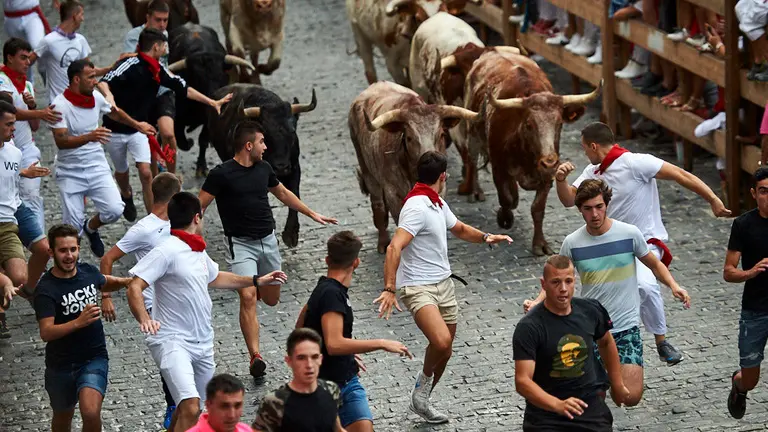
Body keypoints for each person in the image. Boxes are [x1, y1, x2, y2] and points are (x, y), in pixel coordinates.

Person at [555, 122, 728, 365]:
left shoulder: (636, 163)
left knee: (645, 285)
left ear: (594, 146)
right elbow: (567, 200)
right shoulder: (592, 172)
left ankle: (661, 341)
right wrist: (561, 180)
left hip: (645, 241)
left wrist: (712, 199)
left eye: (585, 149)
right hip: (611, 245)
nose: (585, 154)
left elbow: (681, 175)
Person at [125, 191, 287, 432]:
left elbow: (217, 277)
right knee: (190, 407)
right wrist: (145, 319)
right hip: (172, 340)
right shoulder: (166, 250)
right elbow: (134, 286)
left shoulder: (197, 250)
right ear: (198, 218)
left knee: (191, 411)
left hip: (202, 342)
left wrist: (257, 280)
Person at [373, 151, 512, 424]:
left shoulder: (436, 203)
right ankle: (421, 388)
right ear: (443, 176)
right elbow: (394, 246)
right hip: (418, 287)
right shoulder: (416, 207)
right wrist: (390, 288)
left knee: (445, 352)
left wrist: (486, 237)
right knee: (441, 341)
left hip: (444, 285)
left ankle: (421, 399)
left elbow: (458, 228)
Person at [530, 179, 690, 406]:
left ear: (607, 205)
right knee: (592, 399)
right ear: (580, 210)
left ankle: (607, 382)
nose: (594, 214)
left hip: (626, 329)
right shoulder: (572, 243)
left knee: (629, 397)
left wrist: (674, 286)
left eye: (599, 207)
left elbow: (654, 264)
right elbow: (557, 279)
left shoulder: (629, 234)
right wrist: (537, 301)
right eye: (588, 209)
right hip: (590, 331)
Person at [199, 120, 337, 380]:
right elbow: (199, 205)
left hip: (268, 242)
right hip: (240, 245)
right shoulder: (221, 174)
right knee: (248, 297)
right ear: (248, 145)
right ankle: (255, 357)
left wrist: (311, 213)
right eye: (262, 142)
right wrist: (192, 236)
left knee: (271, 299)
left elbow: (283, 193)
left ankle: (257, 285)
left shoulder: (264, 168)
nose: (266, 146)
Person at [98, 28, 231, 221]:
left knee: (145, 173)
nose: (167, 48)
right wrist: (109, 96)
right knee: (121, 170)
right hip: (116, 129)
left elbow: (184, 88)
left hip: (140, 130)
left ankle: (155, 219)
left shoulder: (158, 70)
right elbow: (103, 82)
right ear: (156, 47)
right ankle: (126, 193)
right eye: (164, 45)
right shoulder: (128, 64)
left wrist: (212, 102)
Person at [296, 230, 412, 432]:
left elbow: (302, 323)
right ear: (356, 263)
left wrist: (346, 351)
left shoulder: (324, 288)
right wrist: (382, 343)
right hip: (331, 386)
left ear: (327, 260)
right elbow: (334, 344)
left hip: (346, 378)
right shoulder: (332, 294)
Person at [49, 59, 155, 257]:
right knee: (72, 227)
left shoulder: (96, 98)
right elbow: (61, 141)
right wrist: (90, 136)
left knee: (115, 210)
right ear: (76, 79)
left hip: (96, 166)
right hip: (69, 172)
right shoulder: (59, 106)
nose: (95, 81)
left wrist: (138, 125)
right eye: (90, 77)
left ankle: (91, 227)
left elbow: (115, 113)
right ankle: (73, 270)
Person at [99, 172, 180, 429]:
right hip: (153, 305)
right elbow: (107, 259)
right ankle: (173, 404)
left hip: (180, 299)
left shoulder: (181, 222)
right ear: (174, 197)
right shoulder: (143, 229)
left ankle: (185, 403)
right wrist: (106, 296)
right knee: (169, 356)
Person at [33, 224, 132, 432]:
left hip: (93, 358)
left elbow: (104, 282)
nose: (69, 256)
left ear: (79, 249)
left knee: (90, 411)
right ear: (51, 252)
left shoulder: (88, 271)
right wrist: (79, 322)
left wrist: (126, 282)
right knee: (62, 417)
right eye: (62, 250)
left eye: (73, 249)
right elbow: (46, 332)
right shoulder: (46, 289)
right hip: (60, 366)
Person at [513, 255, 629, 431]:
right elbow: (522, 381)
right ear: (544, 285)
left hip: (590, 408)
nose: (563, 289)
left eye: (568, 281)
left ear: (575, 281)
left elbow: (605, 343)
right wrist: (557, 405)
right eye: (555, 282)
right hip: (546, 416)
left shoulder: (591, 310)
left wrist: (617, 383)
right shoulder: (529, 327)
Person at [0, 99, 51, 338]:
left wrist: (24, 172)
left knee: (43, 250)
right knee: (11, 276)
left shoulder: (15, 151)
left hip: (14, 208)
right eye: (10, 124)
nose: (14, 129)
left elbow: (7, 173)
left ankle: (29, 291)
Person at [1, 37, 62, 235]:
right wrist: (41, 112)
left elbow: (34, 126)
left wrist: (33, 106)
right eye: (23, 58)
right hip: (4, 150)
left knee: (32, 194)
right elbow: (10, 111)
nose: (28, 62)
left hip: (26, 148)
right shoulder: (2, 80)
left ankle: (39, 242)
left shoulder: (27, 85)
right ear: (9, 58)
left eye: (29, 58)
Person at [724, 167, 768, 419]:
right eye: (764, 191)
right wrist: (751, 272)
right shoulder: (743, 225)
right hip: (756, 310)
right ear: (754, 193)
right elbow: (728, 272)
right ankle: (739, 386)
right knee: (750, 379)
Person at [122, 0, 178, 175]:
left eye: (165, 20)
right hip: (142, 94)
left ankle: (171, 177)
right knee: (149, 139)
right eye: (158, 20)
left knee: (168, 134)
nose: (162, 24)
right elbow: (128, 59)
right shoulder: (134, 35)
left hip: (162, 91)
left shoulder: (165, 34)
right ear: (148, 17)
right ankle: (155, 182)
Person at [252, 328, 345, 432]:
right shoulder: (274, 402)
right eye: (301, 358)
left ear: (321, 359)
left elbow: (337, 429)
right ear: (289, 361)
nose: (309, 365)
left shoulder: (331, 390)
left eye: (314, 357)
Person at [31, 0, 112, 105]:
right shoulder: (48, 41)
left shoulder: (80, 40)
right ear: (74, 16)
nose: (82, 19)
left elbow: (90, 71)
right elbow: (27, 62)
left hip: (78, 101)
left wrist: (111, 68)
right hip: (58, 103)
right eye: (81, 15)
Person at [3, 0, 54, 83]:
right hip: (11, 18)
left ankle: (44, 72)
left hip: (31, 15)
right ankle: (27, 86)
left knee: (38, 46)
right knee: (20, 54)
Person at [187, 374, 252, 432]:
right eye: (224, 407)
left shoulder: (246, 429)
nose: (232, 415)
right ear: (208, 405)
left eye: (237, 406)